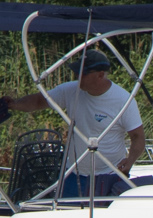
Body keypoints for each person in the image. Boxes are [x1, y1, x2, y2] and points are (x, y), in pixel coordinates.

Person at [8, 52, 145, 199]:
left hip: (109, 174)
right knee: (65, 211)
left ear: (100, 75)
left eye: (83, 74)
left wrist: (130, 161)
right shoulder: (70, 91)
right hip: (74, 174)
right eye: (76, 72)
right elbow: (38, 101)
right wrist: (14, 104)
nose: (77, 77)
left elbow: (138, 137)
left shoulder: (124, 100)